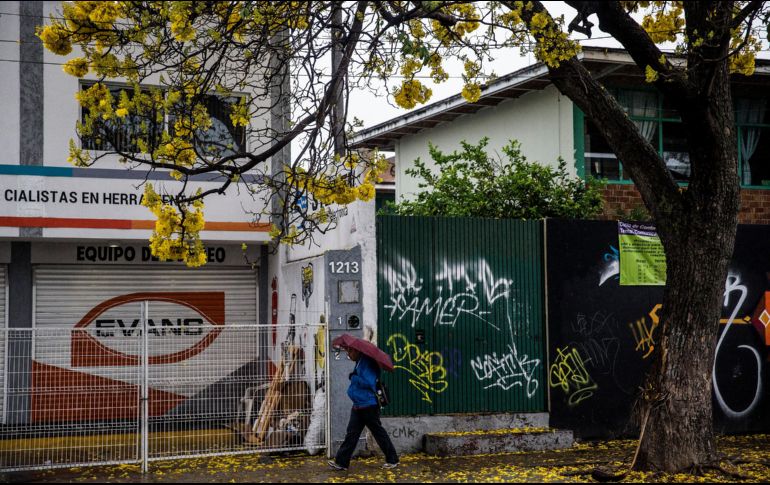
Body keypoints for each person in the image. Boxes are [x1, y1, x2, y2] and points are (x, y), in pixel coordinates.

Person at [328, 346, 399, 471]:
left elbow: (369, 382)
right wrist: (355, 376)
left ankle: (392, 459)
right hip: (358, 405)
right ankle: (341, 462)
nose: (348, 354)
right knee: (351, 434)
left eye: (350, 351)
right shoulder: (360, 362)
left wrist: (354, 376)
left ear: (357, 350)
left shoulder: (368, 363)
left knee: (378, 432)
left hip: (368, 405)